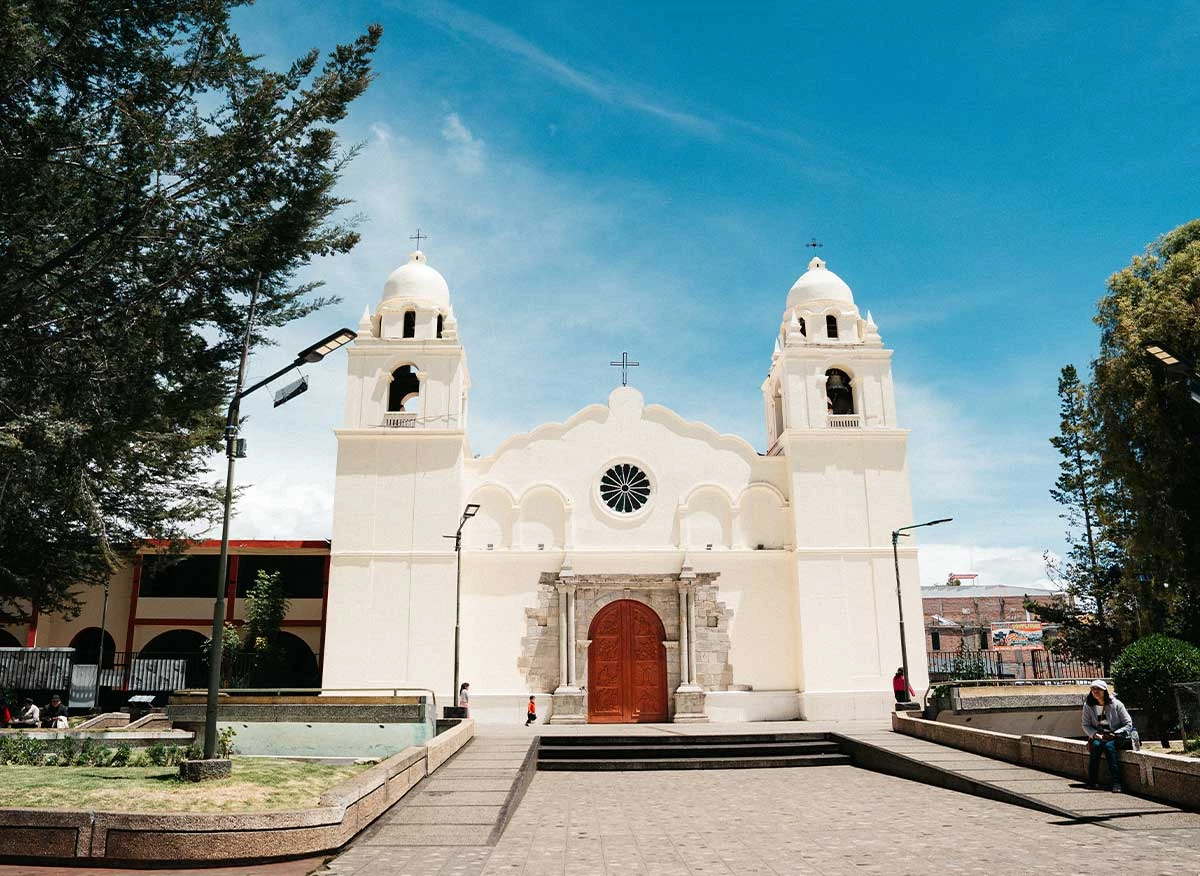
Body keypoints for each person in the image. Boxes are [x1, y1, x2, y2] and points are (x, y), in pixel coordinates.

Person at [1082, 679, 1134, 793]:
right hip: (1099, 736)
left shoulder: (1116, 704)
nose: (1095, 691)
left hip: (1114, 736)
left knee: (1109, 747)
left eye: (1098, 689)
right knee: (1096, 746)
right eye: (1093, 689)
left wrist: (1114, 734)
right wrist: (1095, 735)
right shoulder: (1088, 705)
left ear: (1104, 690)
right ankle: (1092, 781)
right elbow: (1085, 725)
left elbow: (1128, 724)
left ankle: (1116, 783)